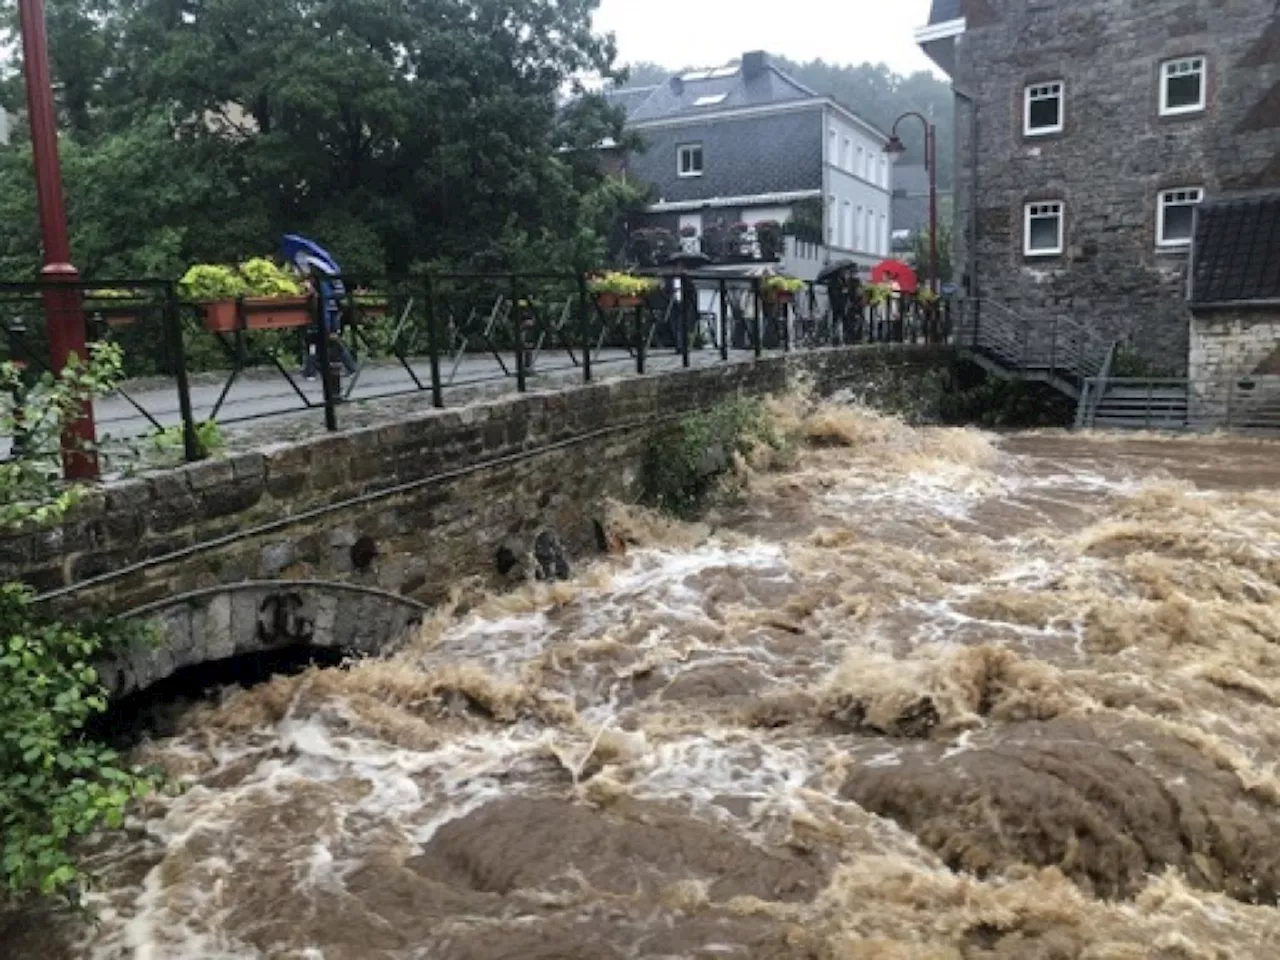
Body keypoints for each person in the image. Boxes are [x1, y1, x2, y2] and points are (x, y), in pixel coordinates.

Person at [297, 262, 357, 380]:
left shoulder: (322, 285)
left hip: (324, 317)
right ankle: (349, 368)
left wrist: (311, 290)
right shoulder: (328, 281)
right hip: (330, 314)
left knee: (316, 342)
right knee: (327, 342)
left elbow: (322, 302)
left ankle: (311, 372)